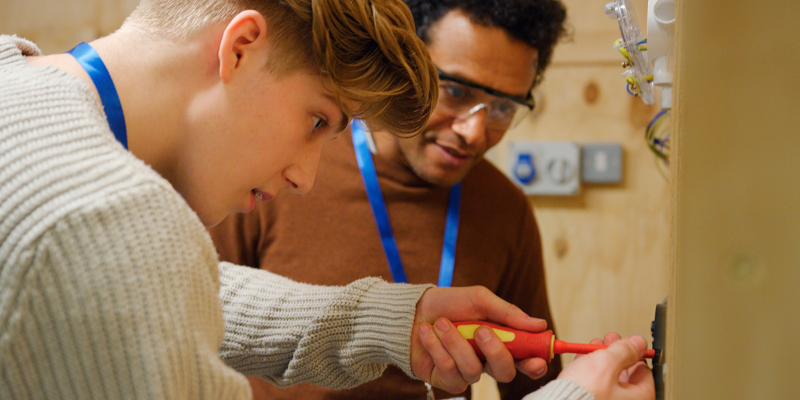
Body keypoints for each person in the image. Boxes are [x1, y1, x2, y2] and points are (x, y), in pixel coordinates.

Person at [0, 0, 654, 399]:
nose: (307, 176)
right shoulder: (103, 222)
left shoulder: (16, 77)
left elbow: (156, 285)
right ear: (241, 48)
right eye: (319, 120)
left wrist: (398, 320)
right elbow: (130, 258)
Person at [208, 0, 569, 398]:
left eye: (503, 106)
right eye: (454, 91)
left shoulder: (505, 209)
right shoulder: (280, 172)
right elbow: (197, 324)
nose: (474, 130)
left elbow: (538, 381)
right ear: (404, 65)